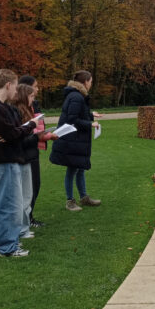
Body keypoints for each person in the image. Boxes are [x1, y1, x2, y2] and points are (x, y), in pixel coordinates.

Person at [0, 69, 39, 257]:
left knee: (7, 204)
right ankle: (7, 247)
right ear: (8, 85)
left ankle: (2, 242)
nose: (17, 90)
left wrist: (14, 132)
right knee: (9, 206)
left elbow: (13, 131)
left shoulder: (5, 107)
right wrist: (30, 126)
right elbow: (12, 134)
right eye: (15, 85)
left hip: (10, 159)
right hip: (5, 161)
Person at [50, 70, 102, 211]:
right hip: (71, 140)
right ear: (85, 82)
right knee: (72, 169)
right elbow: (72, 119)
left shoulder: (77, 96)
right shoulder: (76, 97)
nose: (91, 84)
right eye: (91, 81)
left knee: (80, 168)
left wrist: (91, 115)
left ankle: (84, 197)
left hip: (76, 140)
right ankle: (70, 201)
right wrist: (90, 124)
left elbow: (78, 114)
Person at [18, 74, 50, 227]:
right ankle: (25, 220)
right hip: (27, 152)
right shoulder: (19, 109)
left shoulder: (32, 105)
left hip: (34, 149)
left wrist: (45, 135)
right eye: (35, 87)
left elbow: (37, 126)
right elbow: (24, 133)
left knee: (34, 186)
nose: (37, 89)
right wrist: (41, 136)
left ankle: (28, 218)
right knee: (28, 188)